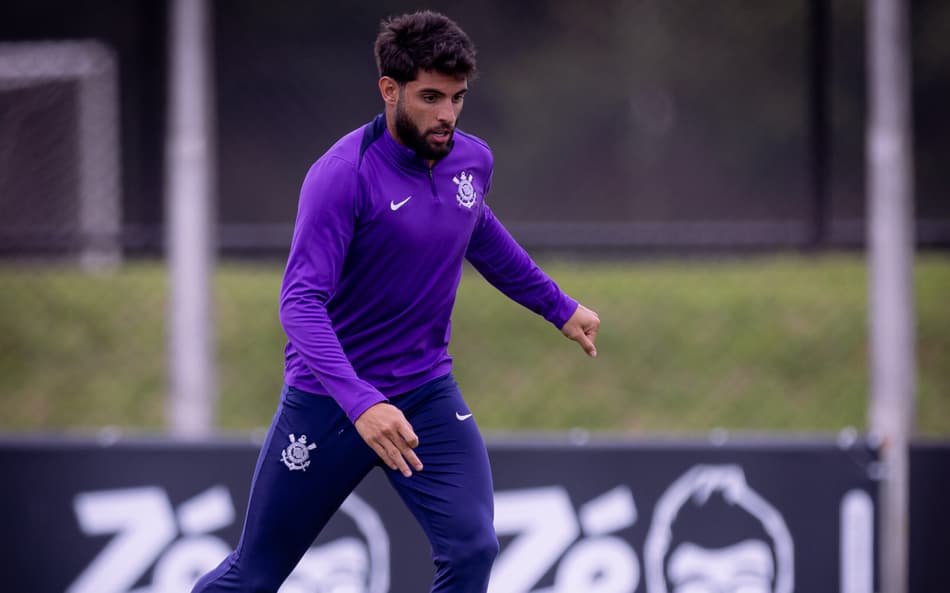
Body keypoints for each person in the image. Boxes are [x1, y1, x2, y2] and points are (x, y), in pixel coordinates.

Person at [192, 10, 600, 593]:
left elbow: (477, 232)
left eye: (457, 99)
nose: (446, 116)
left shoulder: (471, 160)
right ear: (390, 89)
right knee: (254, 574)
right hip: (331, 401)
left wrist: (557, 306)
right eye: (430, 97)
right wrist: (361, 404)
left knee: (473, 548)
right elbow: (299, 303)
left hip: (425, 393)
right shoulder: (342, 176)